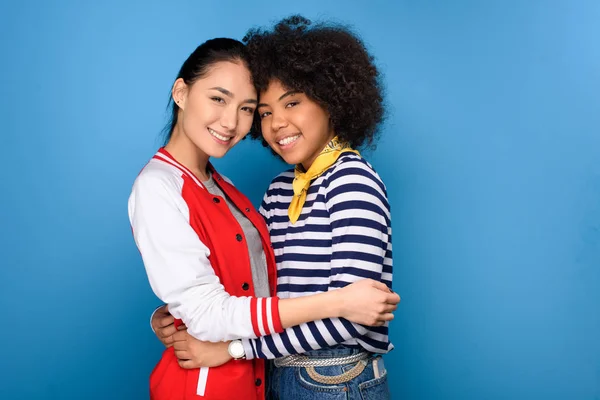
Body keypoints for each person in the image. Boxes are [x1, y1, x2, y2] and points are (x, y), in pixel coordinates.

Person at [129, 37, 399, 400]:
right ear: (181, 92)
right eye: (266, 112)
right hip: (276, 372)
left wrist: (233, 348)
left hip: (335, 377)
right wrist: (180, 311)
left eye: (292, 103)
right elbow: (265, 289)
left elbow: (354, 314)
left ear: (330, 100)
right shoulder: (278, 189)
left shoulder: (349, 180)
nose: (276, 124)